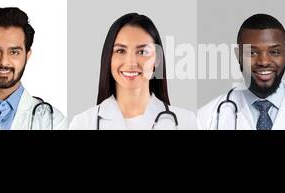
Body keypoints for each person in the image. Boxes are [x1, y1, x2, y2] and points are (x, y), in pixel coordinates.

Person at [68, 13, 200, 130]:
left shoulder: (186, 122)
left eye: (142, 52)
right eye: (120, 51)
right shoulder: (83, 124)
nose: (131, 63)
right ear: (108, 57)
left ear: (157, 59)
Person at [196, 13, 285, 130]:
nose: (264, 62)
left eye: (274, 52)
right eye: (252, 52)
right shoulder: (206, 118)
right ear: (238, 55)